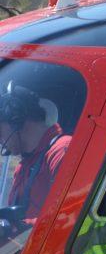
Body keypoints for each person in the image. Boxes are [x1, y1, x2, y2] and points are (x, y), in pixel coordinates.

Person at [0, 85, 70, 227]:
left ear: (16, 121)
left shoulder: (62, 151)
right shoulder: (23, 166)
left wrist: (12, 229)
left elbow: (71, 218)